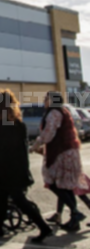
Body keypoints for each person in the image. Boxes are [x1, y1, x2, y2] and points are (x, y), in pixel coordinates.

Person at [0, 89, 52, 243]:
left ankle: (43, 227)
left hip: (3, 168)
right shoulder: (18, 123)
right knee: (3, 197)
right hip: (17, 167)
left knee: (19, 200)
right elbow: (22, 147)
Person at [32, 91, 85, 232]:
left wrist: (36, 144)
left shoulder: (54, 113)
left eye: (47, 98)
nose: (45, 101)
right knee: (66, 187)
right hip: (68, 151)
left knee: (55, 184)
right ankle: (74, 220)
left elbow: (48, 134)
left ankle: (75, 212)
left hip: (62, 154)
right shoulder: (63, 111)